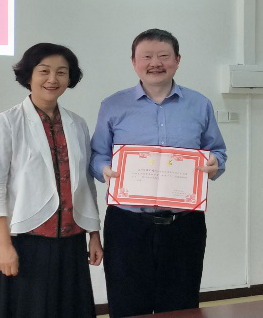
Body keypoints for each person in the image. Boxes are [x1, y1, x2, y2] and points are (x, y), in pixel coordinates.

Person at [89, 29, 228, 317]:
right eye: (147, 57)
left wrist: (215, 163)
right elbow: (97, 155)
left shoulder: (199, 104)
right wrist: (105, 169)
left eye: (164, 56)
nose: (155, 63)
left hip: (184, 224)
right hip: (127, 224)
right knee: (127, 304)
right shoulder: (113, 105)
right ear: (134, 62)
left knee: (181, 304)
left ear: (177, 60)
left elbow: (217, 151)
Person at [0, 43, 103, 318]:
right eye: (44, 71)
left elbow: (85, 183)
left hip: (72, 241)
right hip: (27, 241)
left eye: (61, 72)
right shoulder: (7, 122)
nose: (53, 79)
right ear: (28, 75)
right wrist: (3, 245)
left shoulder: (77, 124)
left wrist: (94, 234)